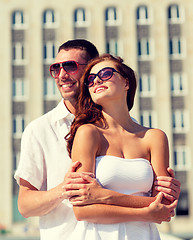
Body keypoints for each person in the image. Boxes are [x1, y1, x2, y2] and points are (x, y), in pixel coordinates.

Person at [14, 40, 180, 240]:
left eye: (70, 66)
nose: (62, 75)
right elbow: (25, 205)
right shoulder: (40, 129)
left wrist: (165, 193)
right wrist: (63, 190)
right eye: (55, 68)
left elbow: (160, 203)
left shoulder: (142, 133)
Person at [65, 53, 177, 239]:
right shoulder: (88, 133)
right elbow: (82, 211)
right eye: (90, 79)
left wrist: (104, 196)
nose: (96, 80)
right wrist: (145, 211)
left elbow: (163, 207)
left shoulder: (154, 137)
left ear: (126, 83)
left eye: (106, 73)